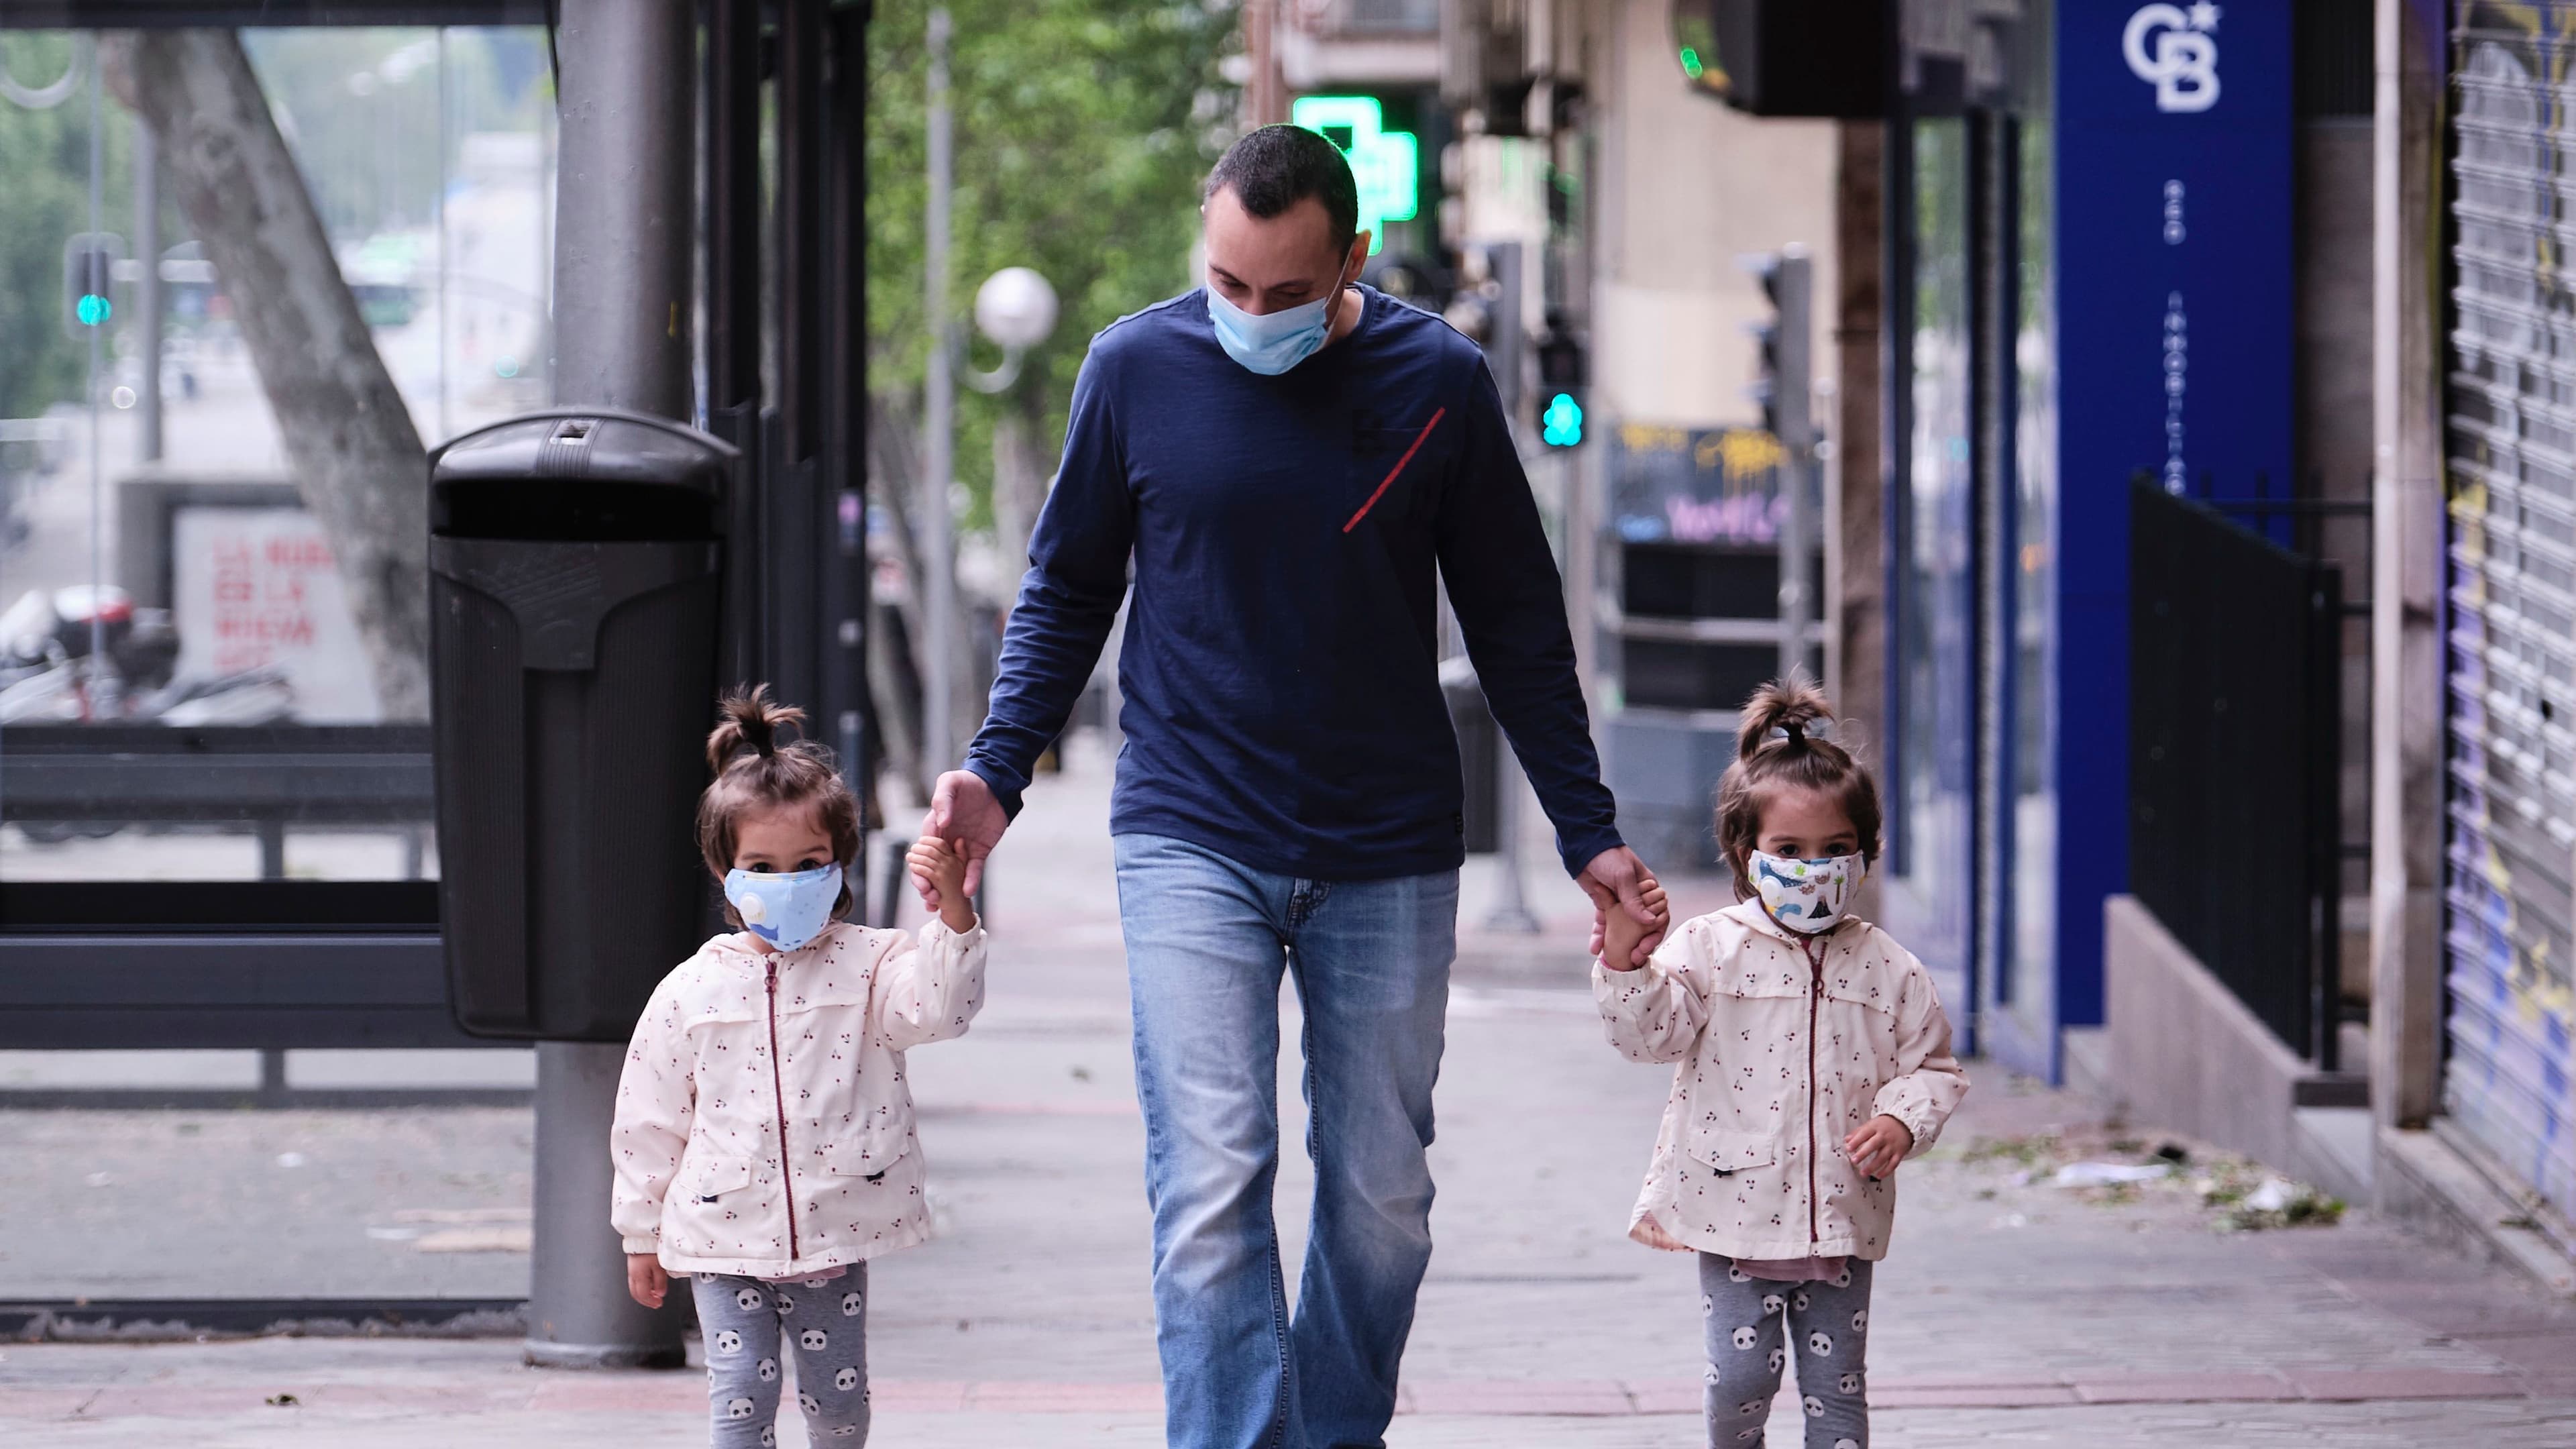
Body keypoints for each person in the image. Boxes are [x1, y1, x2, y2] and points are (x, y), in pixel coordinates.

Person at [914, 123, 1665, 1448]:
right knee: (1212, 1181)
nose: (1249, 316)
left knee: (1380, 1198)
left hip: (1387, 844)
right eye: (1228, 283)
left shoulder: (1437, 381)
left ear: (1352, 258)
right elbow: (1067, 585)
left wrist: (1586, 834)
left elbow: (1516, 620)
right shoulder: (1136, 368)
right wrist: (994, 771)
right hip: (1189, 831)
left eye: (1284, 292)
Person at [1595, 678, 1968, 1449]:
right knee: (1739, 1387)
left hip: (1842, 1218)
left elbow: (1933, 1067)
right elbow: (1649, 1037)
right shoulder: (1708, 948)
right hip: (1734, 1216)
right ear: (1746, 853)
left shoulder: (1890, 967)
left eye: (1836, 851)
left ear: (1866, 851)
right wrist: (1629, 968)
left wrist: (1905, 1117)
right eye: (1790, 852)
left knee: (1838, 1397)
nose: (1815, 868)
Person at [611, 687, 985, 1448]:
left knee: (838, 1409)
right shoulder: (690, 990)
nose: (787, 880)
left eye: (808, 863)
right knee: (741, 1395)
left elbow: (941, 1011)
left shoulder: (874, 963)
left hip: (832, 1232)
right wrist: (640, 1234)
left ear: (839, 860)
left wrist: (951, 916)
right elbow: (649, 1120)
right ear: (726, 872)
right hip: (721, 1235)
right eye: (763, 864)